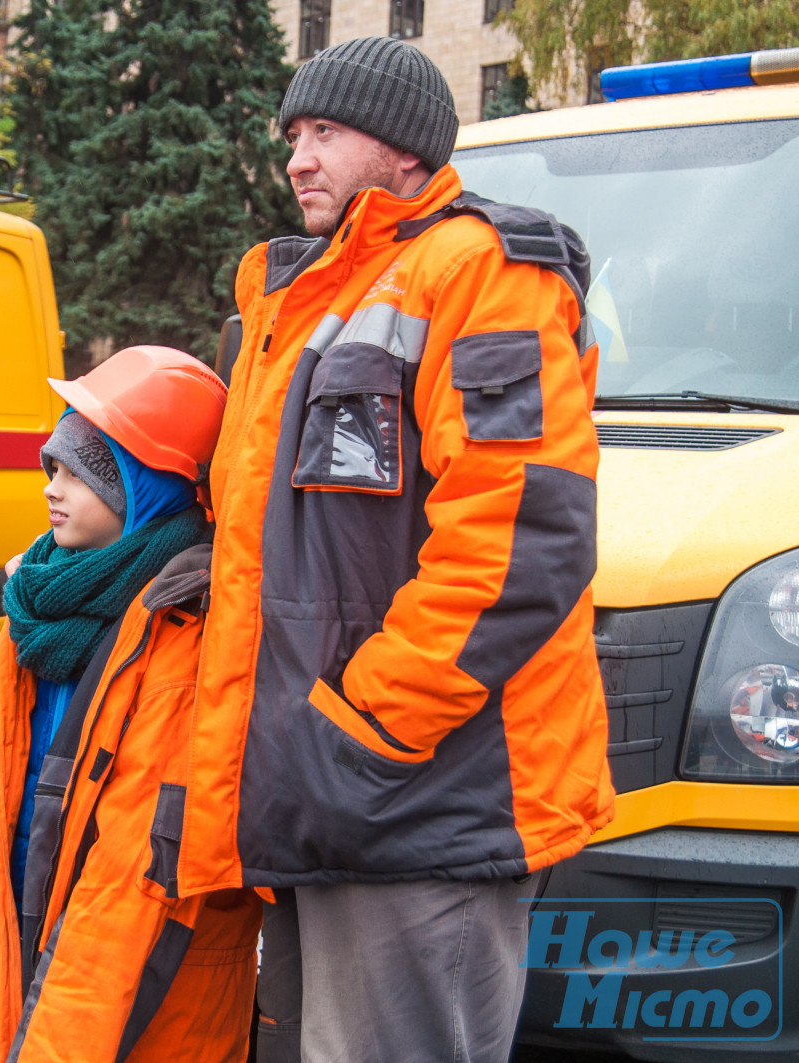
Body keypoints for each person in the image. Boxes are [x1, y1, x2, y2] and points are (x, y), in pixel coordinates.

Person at [175, 37, 615, 1063]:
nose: (297, 157)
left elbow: (517, 541)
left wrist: (363, 728)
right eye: (292, 134)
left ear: (406, 151)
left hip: (416, 794)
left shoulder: (480, 273)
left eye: (325, 131)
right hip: (324, 791)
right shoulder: (304, 299)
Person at [0, 346, 262, 1063]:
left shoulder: (188, 641)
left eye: (82, 470)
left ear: (147, 487)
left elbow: (121, 906)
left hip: (140, 1016)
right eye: (53, 466)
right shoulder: (32, 610)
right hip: (30, 975)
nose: (53, 486)